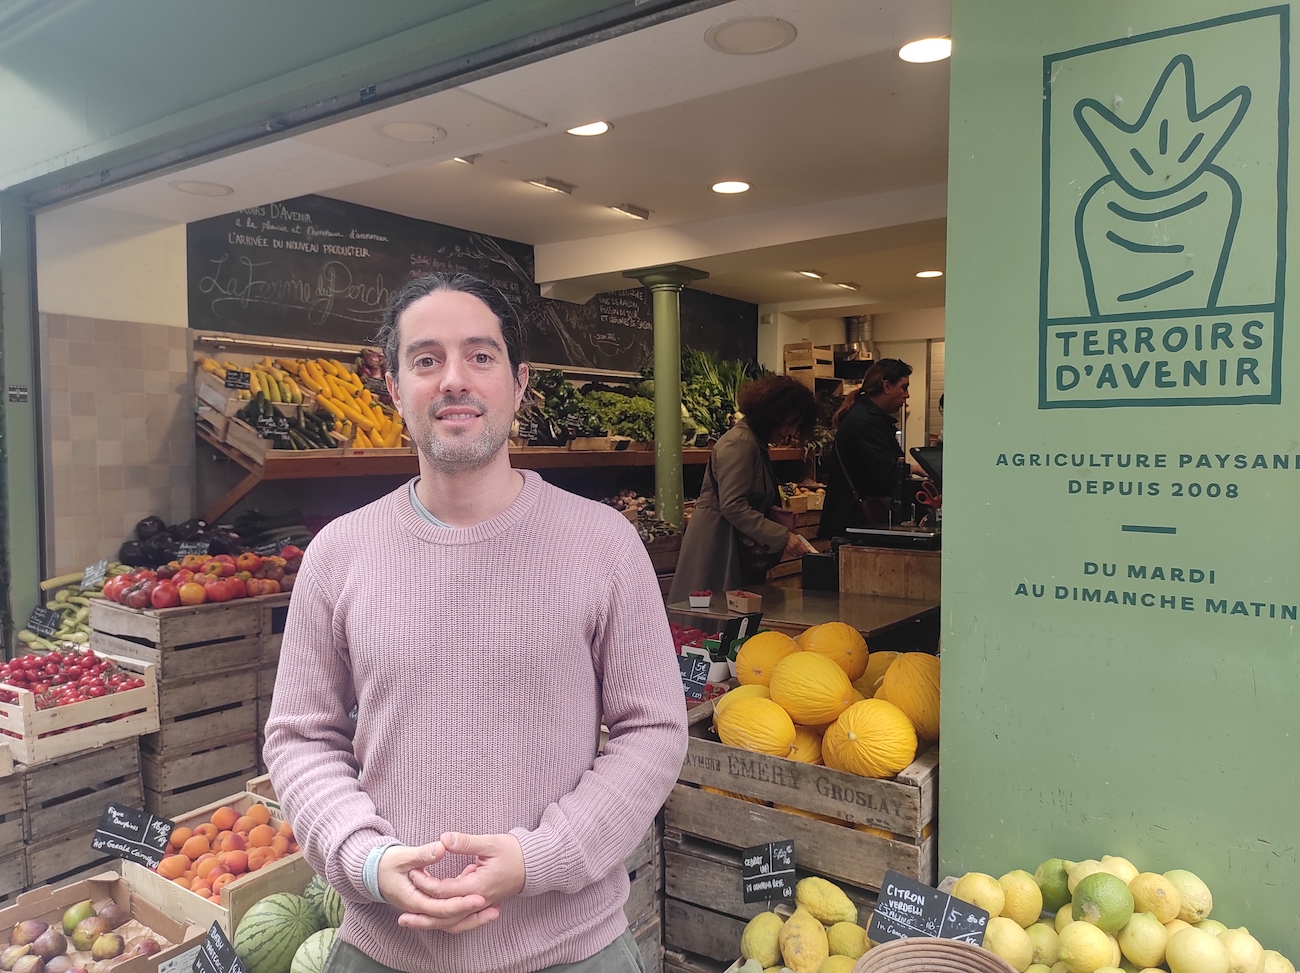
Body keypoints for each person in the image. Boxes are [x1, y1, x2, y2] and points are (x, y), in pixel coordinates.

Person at [263, 272, 688, 973]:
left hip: (569, 948)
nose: (454, 379)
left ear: (519, 382)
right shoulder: (338, 554)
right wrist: (365, 858)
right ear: (394, 388)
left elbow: (655, 729)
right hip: (385, 948)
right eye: (426, 359)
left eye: (480, 356)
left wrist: (537, 856)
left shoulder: (604, 543)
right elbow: (300, 737)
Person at [669, 374, 819, 601]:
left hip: (734, 544)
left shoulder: (755, 443)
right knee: (712, 618)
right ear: (772, 413)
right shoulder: (739, 443)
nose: (790, 433)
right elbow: (734, 506)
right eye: (789, 424)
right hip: (718, 546)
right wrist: (782, 536)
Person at [817, 358, 914, 538]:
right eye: (904, 387)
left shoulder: (868, 417)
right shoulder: (865, 422)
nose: (907, 395)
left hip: (852, 521)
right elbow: (888, 473)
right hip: (854, 522)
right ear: (886, 386)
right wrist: (917, 470)